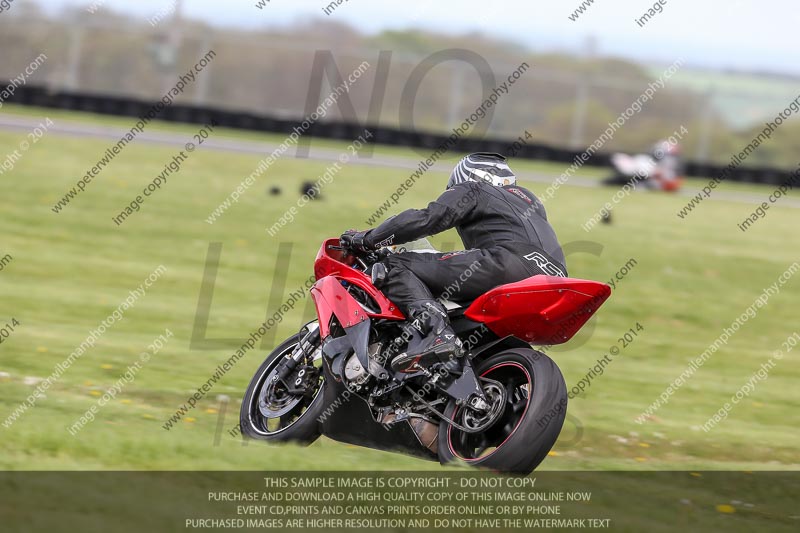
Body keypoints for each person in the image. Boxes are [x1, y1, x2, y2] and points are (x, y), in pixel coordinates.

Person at [340, 153, 567, 371]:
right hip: (555, 280)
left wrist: (367, 239)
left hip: (508, 264)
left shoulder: (474, 188)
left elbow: (426, 219)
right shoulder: (530, 203)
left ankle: (437, 333)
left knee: (395, 265)